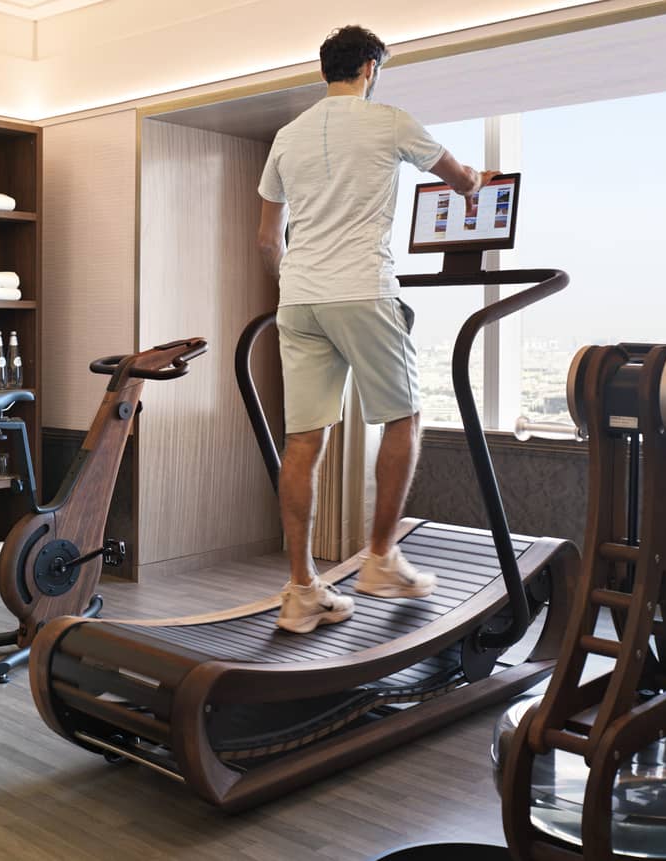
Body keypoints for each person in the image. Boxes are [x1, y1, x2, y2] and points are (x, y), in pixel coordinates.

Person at [257, 25, 495, 634]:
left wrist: (295, 285)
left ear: (325, 71)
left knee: (303, 441)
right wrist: (476, 181)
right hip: (362, 288)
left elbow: (266, 239)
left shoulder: (287, 135)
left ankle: (302, 589)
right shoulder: (389, 121)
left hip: (298, 299)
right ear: (370, 68)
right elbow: (460, 180)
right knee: (403, 416)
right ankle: (382, 559)